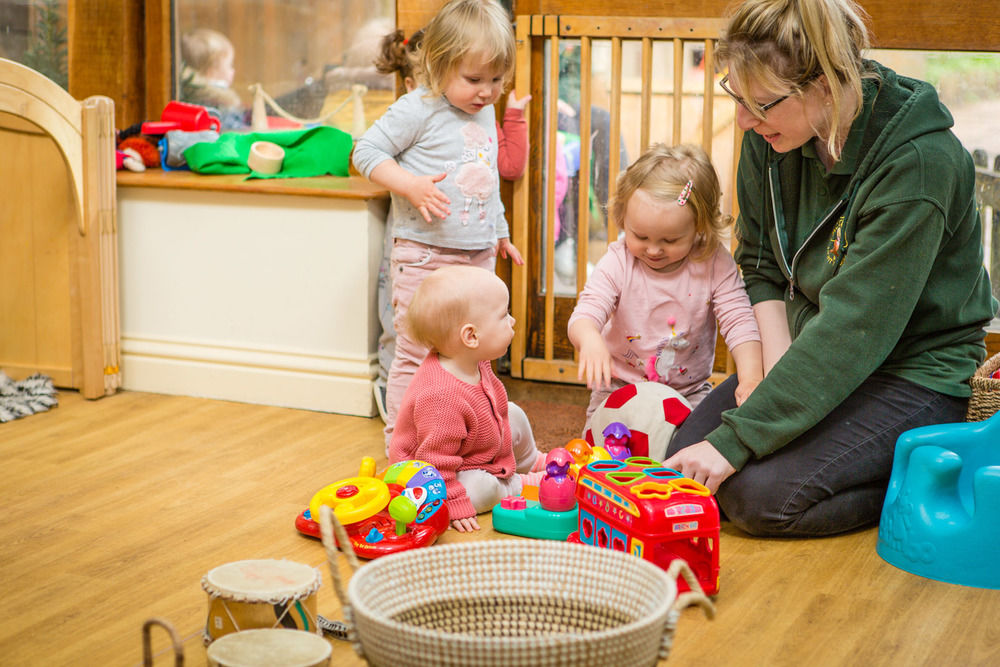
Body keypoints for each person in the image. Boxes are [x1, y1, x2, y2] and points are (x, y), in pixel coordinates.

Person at [663, 0, 998, 538]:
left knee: (759, 497)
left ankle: (912, 478)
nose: (745, 120)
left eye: (761, 104)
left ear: (825, 85)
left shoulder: (918, 165)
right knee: (684, 454)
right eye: (738, 96)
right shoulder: (772, 136)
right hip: (814, 351)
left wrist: (739, 441)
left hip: (913, 371)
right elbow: (761, 262)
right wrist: (772, 372)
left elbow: (853, 332)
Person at [352, 0, 525, 445]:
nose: (487, 91)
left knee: (476, 351)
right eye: (473, 79)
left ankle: (467, 438)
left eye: (496, 80)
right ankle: (404, 449)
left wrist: (500, 232)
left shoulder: (482, 108)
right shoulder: (418, 108)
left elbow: (485, 178)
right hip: (425, 254)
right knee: (414, 353)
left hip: (477, 255)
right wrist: (409, 184)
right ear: (438, 63)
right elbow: (364, 153)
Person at [568, 143, 763, 430]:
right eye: (640, 236)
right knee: (600, 449)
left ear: (700, 228)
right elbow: (585, 312)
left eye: (669, 240)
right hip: (618, 387)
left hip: (688, 393)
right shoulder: (619, 260)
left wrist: (751, 377)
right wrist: (589, 339)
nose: (653, 250)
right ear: (624, 218)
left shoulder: (713, 263)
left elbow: (740, 321)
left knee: (691, 454)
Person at [388, 266, 544, 532]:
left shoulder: (474, 360)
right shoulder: (440, 397)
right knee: (480, 489)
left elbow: (493, 410)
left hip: (473, 448)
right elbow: (434, 463)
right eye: (504, 315)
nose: (512, 321)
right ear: (471, 336)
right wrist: (454, 502)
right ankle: (518, 484)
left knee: (513, 413)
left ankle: (534, 460)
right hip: (431, 475)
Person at [179, 28, 246, 129]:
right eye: (229, 66)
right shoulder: (220, 102)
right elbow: (234, 129)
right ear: (211, 72)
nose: (233, 71)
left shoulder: (188, 94)